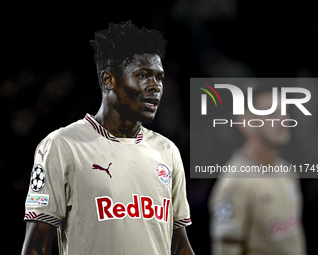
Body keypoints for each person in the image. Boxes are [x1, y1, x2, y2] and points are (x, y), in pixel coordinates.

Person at [21, 21, 194, 255]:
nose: (155, 86)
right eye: (143, 75)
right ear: (108, 80)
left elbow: (179, 245)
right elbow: (36, 247)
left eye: (159, 77)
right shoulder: (62, 146)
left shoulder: (167, 151)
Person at [209, 87, 307, 255]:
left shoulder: (286, 170)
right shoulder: (235, 183)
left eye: (285, 111)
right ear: (246, 124)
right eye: (271, 114)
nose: (283, 119)